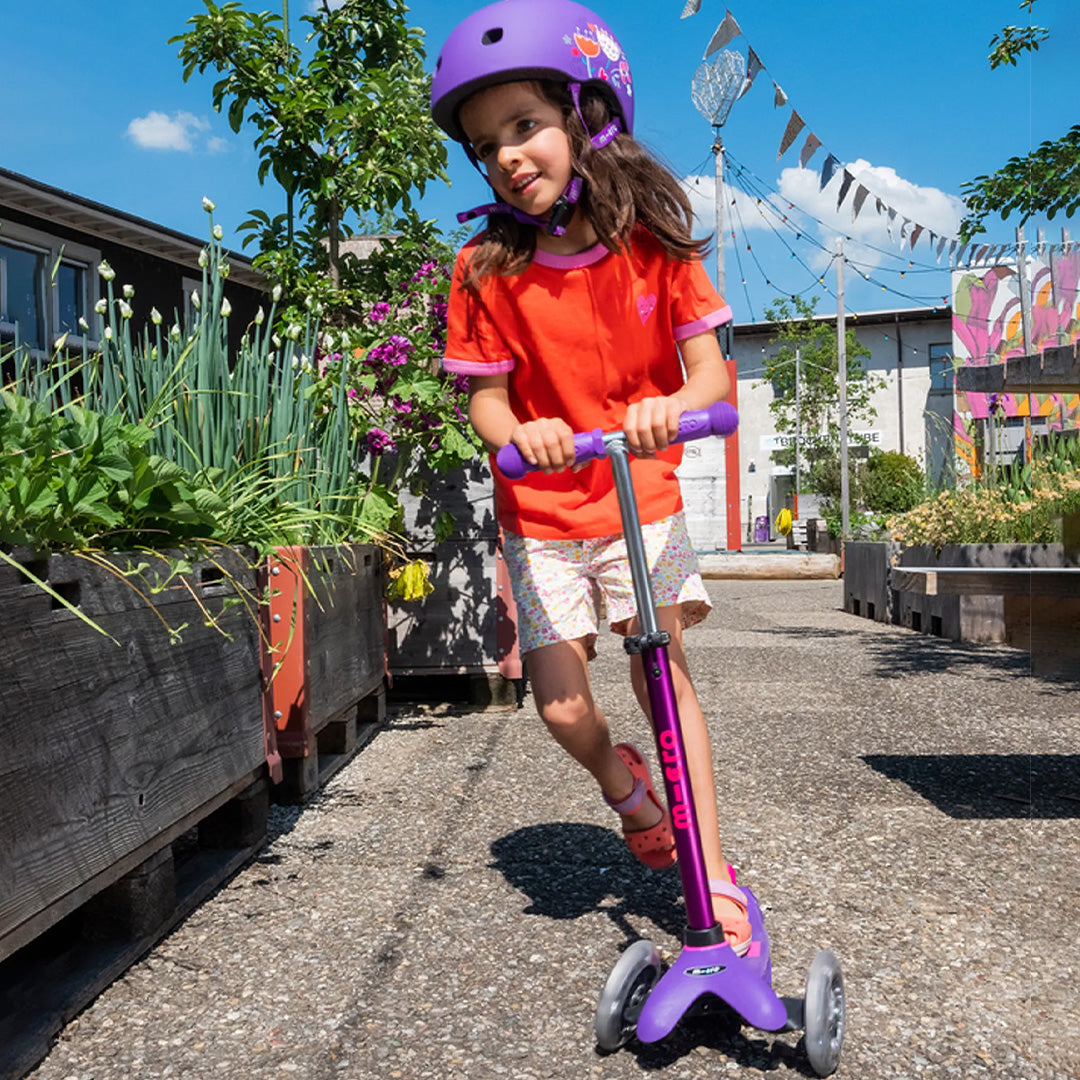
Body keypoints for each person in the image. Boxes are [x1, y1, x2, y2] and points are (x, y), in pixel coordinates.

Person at [432, 0, 749, 953]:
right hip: (542, 510)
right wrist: (519, 428)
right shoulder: (484, 268)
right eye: (488, 144)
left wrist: (672, 406)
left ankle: (714, 875)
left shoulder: (653, 242)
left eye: (526, 125)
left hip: (635, 498)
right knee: (561, 703)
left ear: (589, 117)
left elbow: (711, 375)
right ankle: (624, 785)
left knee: (662, 681)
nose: (509, 156)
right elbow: (484, 402)